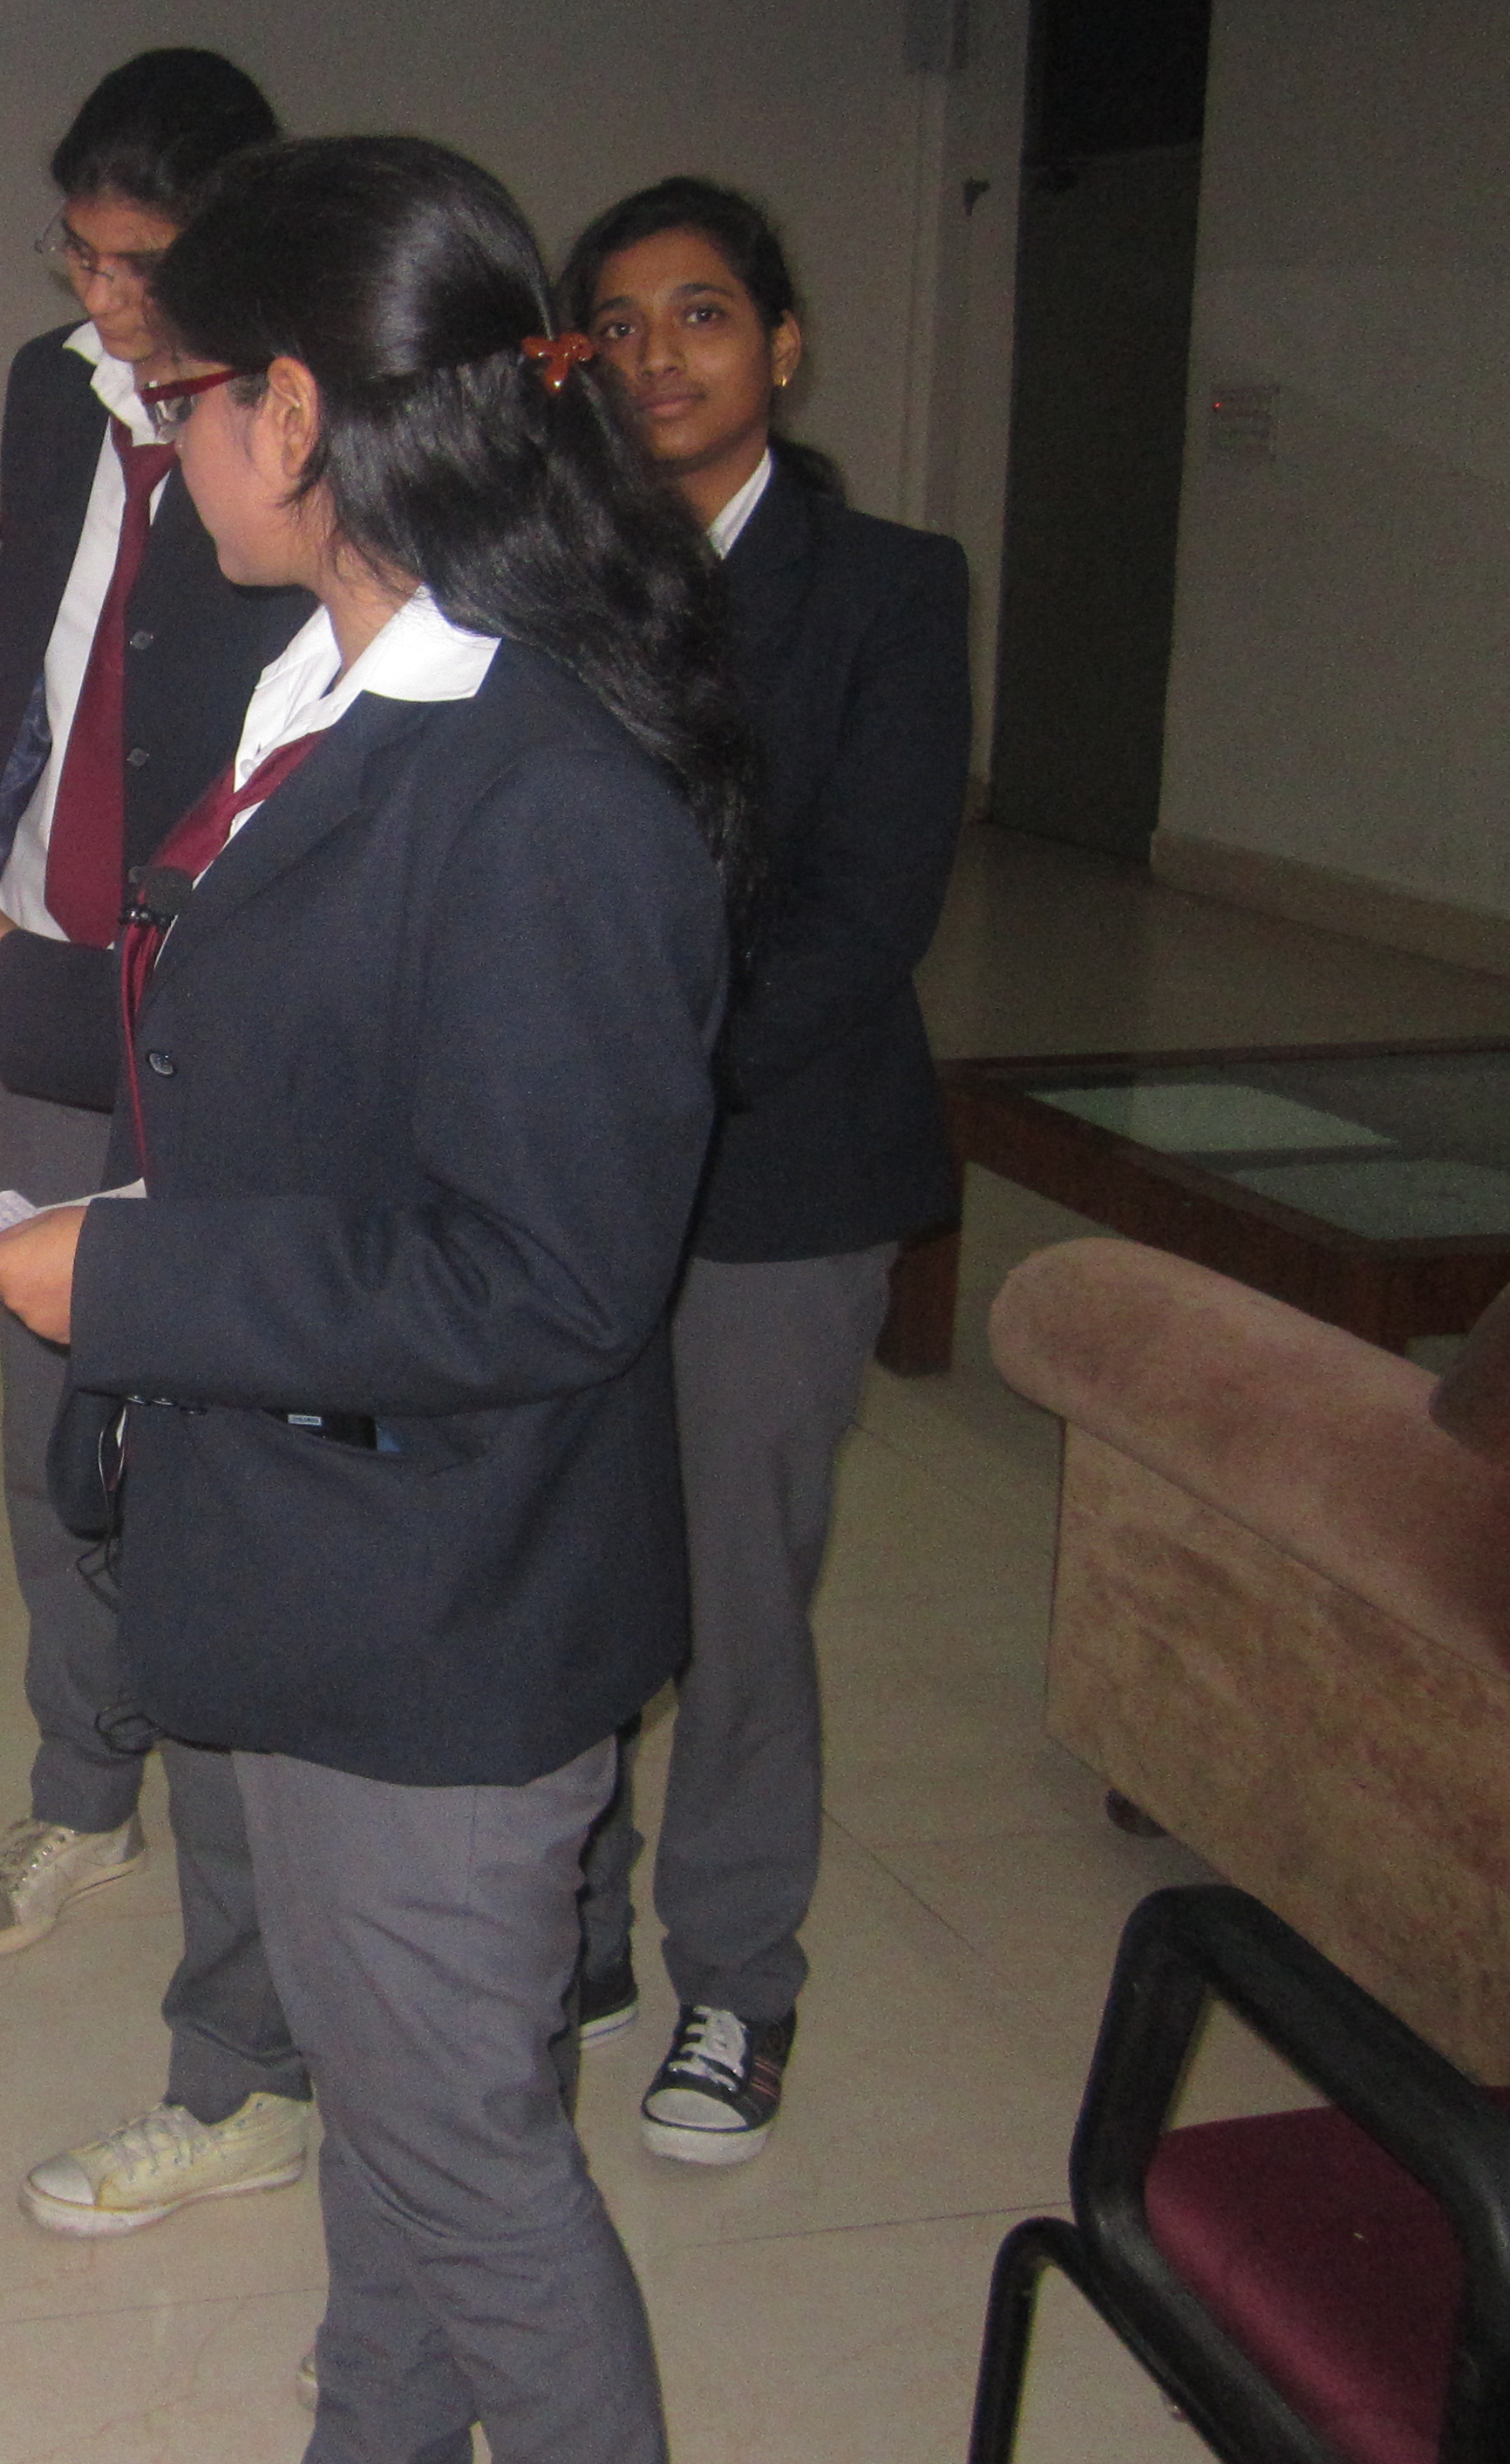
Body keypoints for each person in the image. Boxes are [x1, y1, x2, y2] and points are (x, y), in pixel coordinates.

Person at [0, 134, 745, 2463]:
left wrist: (124, 1267)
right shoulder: (331, 683)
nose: (155, 448)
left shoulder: (545, 787)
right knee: (388, 2122)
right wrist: (34, 1001)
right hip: (319, 1549)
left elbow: (542, 1276)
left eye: (172, 400)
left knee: (469, 2170)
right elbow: (296, 1029)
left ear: (291, 411)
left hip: (445, 1607)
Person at [0, 45, 323, 2238]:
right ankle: (86, 1792)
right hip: (55, 976)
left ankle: (260, 2030)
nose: (104, 303)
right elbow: (36, 655)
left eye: (143, 267)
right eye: (77, 257)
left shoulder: (299, 432)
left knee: (217, 1485)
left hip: (229, 1015)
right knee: (49, 1429)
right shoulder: (49, 387)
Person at [555, 177, 971, 2164]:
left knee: (734, 1589)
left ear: (783, 348)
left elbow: (866, 910)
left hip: (775, 1167)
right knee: (567, 1555)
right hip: (566, 1170)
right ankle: (570, 1922)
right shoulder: (550, 578)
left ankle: (735, 1971)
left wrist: (648, 1085)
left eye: (703, 315)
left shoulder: (890, 586)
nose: (660, 358)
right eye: (620, 327)